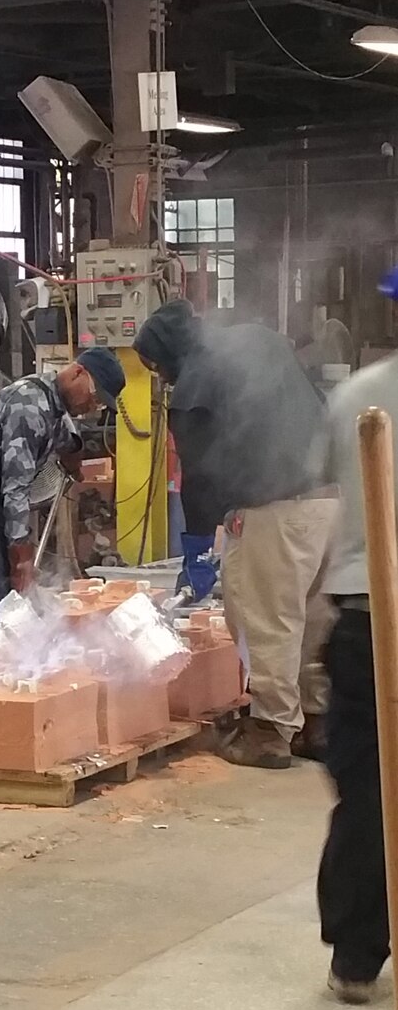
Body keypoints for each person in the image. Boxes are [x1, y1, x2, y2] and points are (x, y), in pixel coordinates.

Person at [133, 299, 337, 769]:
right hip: (329, 500)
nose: (161, 377)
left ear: (169, 351)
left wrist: (198, 546)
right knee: (313, 619)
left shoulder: (194, 386)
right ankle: (316, 721)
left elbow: (199, 474)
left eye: (157, 366)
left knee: (267, 620)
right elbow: (319, 402)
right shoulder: (260, 341)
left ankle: (269, 730)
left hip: (272, 507)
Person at [0, 349, 125, 637]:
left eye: (99, 405)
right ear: (77, 373)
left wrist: (74, 454)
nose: (92, 407)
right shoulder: (28, 405)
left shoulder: (54, 404)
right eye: (94, 396)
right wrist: (22, 560)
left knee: (16, 606)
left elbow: (66, 438)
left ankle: (14, 674)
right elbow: (16, 489)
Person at [316, 349, 398, 1004]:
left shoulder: (356, 392)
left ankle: (355, 956)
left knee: (367, 791)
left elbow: (311, 482)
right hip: (372, 615)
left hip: (359, 616)